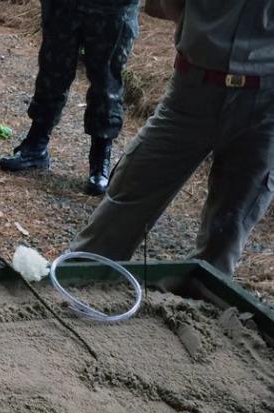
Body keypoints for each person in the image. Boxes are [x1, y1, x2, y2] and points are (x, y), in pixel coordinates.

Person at [70, 0, 274, 276]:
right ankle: (72, 286)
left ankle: (195, 307)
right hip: (192, 92)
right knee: (129, 197)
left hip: (265, 107)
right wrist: (203, 36)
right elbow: (162, 5)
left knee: (229, 226)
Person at [0, 0, 139, 195]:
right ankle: (35, 145)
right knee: (53, 69)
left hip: (112, 7)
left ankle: (100, 161)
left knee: (106, 81)